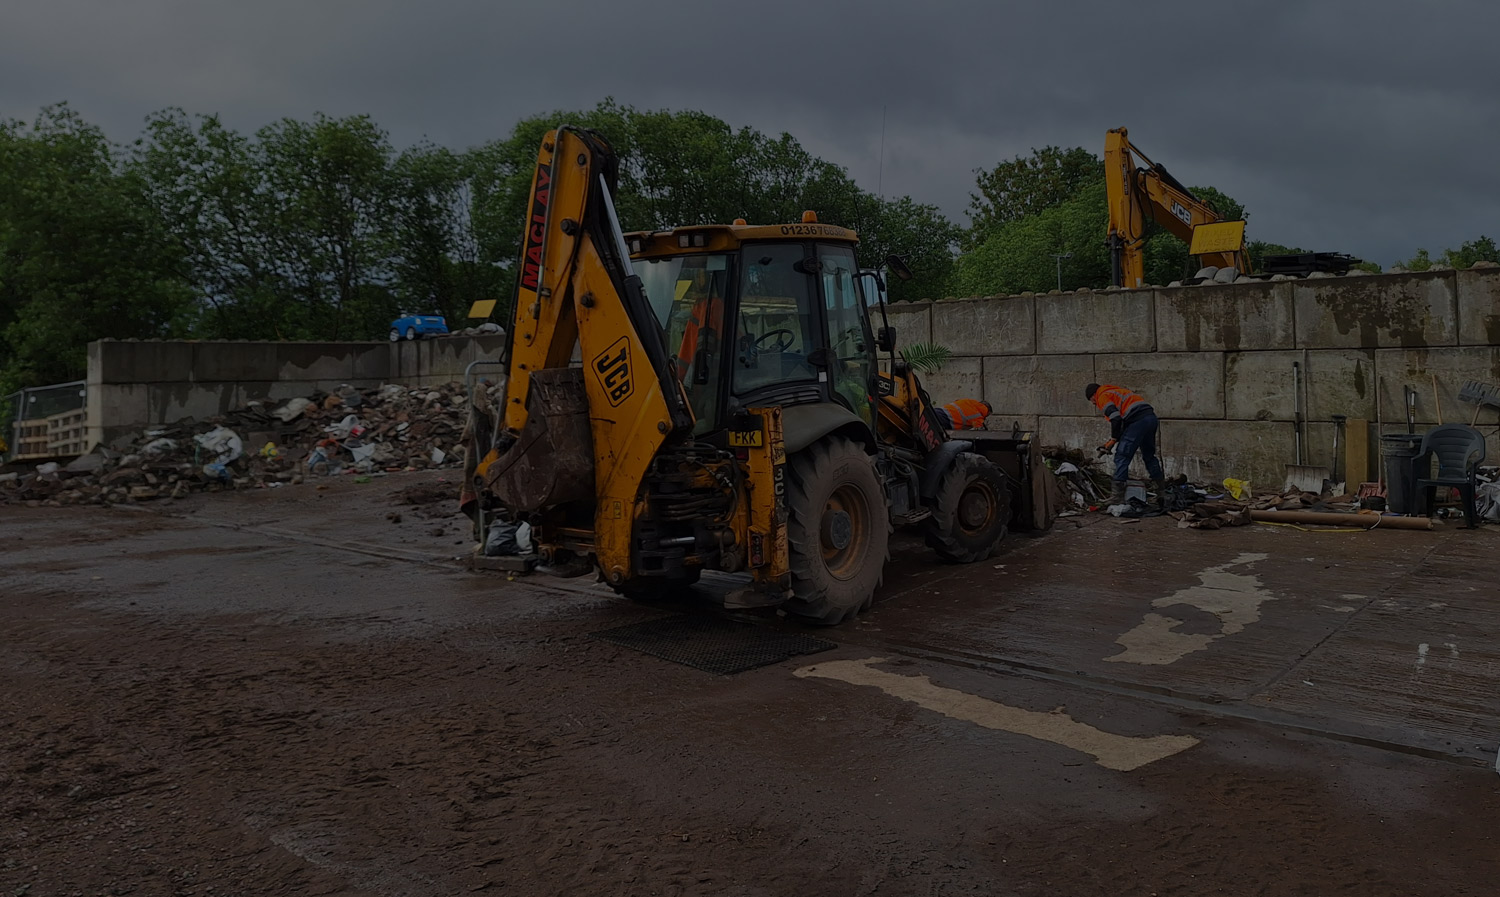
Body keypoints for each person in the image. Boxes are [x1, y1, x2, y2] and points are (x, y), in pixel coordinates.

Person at [1085, 383, 1164, 506]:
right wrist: (1111, 442)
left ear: (1093, 395)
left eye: (1091, 400)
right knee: (1149, 456)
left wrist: (1113, 439)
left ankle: (1117, 497)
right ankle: (1161, 492)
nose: (1094, 403)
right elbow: (1124, 423)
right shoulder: (1117, 392)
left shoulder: (1102, 396)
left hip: (1138, 421)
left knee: (1122, 457)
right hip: (1150, 418)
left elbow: (1116, 418)